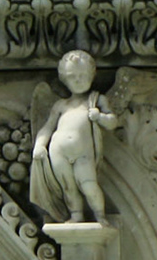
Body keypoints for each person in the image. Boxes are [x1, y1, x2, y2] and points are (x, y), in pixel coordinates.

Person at [29, 50, 120, 223]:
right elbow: (47, 128)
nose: (78, 80)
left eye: (82, 75)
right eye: (72, 76)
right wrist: (39, 145)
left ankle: (100, 215)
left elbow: (113, 121)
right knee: (68, 186)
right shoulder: (61, 105)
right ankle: (76, 214)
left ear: (91, 76)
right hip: (58, 150)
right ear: (64, 79)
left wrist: (100, 117)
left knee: (88, 185)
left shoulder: (95, 100)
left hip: (83, 153)